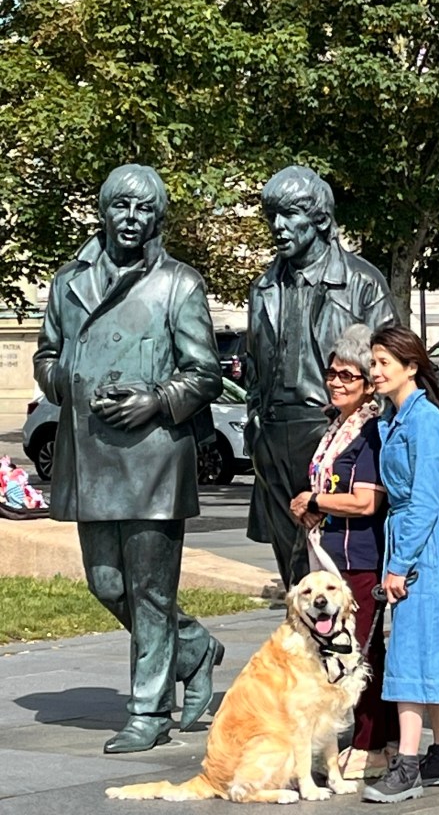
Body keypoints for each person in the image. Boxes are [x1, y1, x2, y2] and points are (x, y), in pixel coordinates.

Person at [33, 164, 225, 754]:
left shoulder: (178, 284)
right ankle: (194, 648)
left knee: (150, 590)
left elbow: (204, 373)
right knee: (106, 583)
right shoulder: (68, 282)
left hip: (154, 457)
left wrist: (157, 399)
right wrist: (69, 378)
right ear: (104, 211)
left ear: (158, 218)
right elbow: (46, 356)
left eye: (145, 209)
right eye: (122, 206)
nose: (132, 219)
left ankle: (149, 710)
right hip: (90, 453)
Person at [245, 165, 399, 590]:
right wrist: (255, 427)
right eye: (272, 216)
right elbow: (255, 366)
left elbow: (389, 367)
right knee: (294, 574)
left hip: (335, 433)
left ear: (320, 219)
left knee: (338, 568)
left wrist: (368, 435)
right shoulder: (264, 287)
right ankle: (304, 636)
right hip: (274, 436)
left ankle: (344, 636)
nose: (278, 226)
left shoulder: (362, 282)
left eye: (290, 214)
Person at [289, 323, 399, 780]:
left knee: (361, 651)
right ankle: (374, 737)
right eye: (332, 373)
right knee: (342, 649)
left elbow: (367, 501)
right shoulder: (337, 427)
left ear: (368, 383)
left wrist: (314, 500)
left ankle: (374, 742)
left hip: (360, 558)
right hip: (331, 555)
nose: (336, 382)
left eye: (347, 376)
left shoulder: (370, 432)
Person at [361, 325, 439, 804]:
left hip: (422, 539)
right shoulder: (399, 418)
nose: (375, 371)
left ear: (411, 366)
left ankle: (407, 764)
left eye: (384, 362)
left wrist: (398, 565)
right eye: (373, 362)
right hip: (419, 533)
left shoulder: (422, 421)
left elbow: (423, 500)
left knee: (410, 647)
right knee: (432, 644)